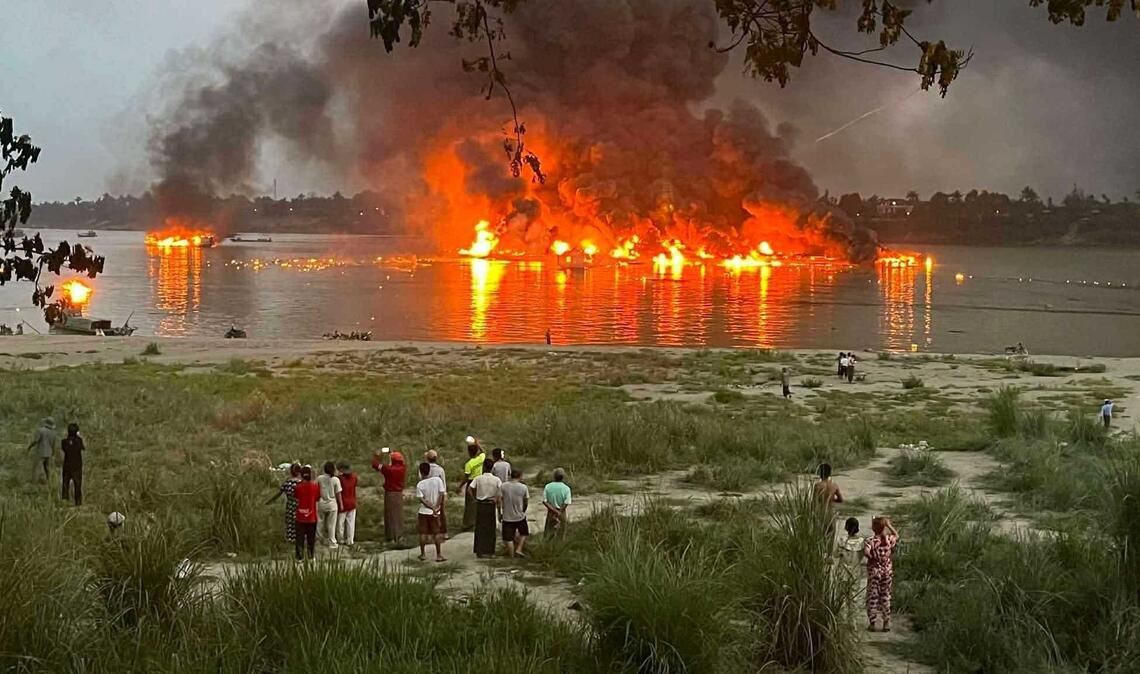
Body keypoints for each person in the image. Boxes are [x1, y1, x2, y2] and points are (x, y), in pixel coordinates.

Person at [864, 516, 899, 632]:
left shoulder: (870, 541)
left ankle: (873, 623)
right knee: (885, 596)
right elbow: (897, 535)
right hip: (887, 571)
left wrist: (873, 558)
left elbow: (866, 552)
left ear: (873, 528)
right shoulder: (889, 539)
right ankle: (886, 622)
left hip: (874, 571)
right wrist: (888, 525)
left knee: (872, 596)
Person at [373, 448, 407, 543]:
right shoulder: (403, 468)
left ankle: (391, 536)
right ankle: (399, 535)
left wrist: (377, 456)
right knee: (398, 515)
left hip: (390, 493)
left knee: (390, 515)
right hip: (399, 493)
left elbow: (375, 465)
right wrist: (391, 452)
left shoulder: (388, 469)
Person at [470, 458, 502, 558]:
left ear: (483, 467)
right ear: (492, 468)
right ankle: (490, 551)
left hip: (481, 504)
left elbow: (469, 489)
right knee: (490, 529)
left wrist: (474, 498)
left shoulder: (478, 478)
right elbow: (500, 494)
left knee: (480, 528)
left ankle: (479, 550)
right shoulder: (496, 480)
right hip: (490, 504)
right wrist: (499, 508)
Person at [415, 461, 446, 562]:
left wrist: (431, 507)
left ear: (421, 472)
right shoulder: (437, 480)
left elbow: (422, 499)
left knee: (423, 533)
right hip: (436, 512)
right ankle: (438, 555)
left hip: (424, 511)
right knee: (436, 533)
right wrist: (437, 506)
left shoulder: (420, 484)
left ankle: (423, 554)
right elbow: (441, 493)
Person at [266, 463, 302, 544]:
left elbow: (278, 494)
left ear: (291, 472)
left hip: (290, 506)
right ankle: (299, 539)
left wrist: (269, 502)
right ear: (299, 472)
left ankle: (290, 540)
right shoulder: (302, 483)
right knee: (299, 523)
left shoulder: (287, 483)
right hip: (300, 506)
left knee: (290, 523)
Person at [501, 468, 530, 557]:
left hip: (507, 515)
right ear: (520, 476)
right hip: (519, 515)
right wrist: (523, 510)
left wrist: (500, 511)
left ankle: (511, 555)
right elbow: (526, 501)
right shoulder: (523, 487)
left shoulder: (504, 486)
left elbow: (500, 499)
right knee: (524, 533)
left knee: (508, 538)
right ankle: (519, 548)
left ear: (510, 476)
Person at [294, 465, 320, 561]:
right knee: (311, 539)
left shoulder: (298, 487)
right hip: (312, 516)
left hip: (300, 517)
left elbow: (296, 497)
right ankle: (311, 556)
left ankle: (299, 557)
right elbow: (317, 498)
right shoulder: (315, 487)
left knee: (299, 540)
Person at [316, 461, 343, 549]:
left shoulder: (320, 478)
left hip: (321, 503)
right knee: (331, 524)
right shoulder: (335, 480)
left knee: (320, 523)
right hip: (332, 504)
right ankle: (332, 542)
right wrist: (341, 504)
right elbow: (338, 493)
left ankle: (319, 540)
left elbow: (315, 488)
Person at [461, 438, 486, 531]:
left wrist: (461, 486)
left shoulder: (469, 464)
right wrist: (478, 444)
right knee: (479, 501)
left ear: (469, 452)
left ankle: (468, 523)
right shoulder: (480, 459)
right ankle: (477, 521)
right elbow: (483, 452)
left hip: (471, 483)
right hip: (480, 482)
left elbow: (466, 476)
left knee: (469, 504)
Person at [542, 468, 572, 537]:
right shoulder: (566, 488)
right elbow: (566, 502)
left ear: (554, 476)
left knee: (548, 533)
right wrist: (559, 512)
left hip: (551, 511)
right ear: (563, 477)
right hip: (562, 512)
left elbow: (545, 501)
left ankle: (547, 546)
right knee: (561, 533)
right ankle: (560, 547)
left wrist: (554, 511)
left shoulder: (548, 486)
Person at [60, 422, 85, 506]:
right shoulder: (79, 441)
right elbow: (82, 448)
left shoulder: (64, 442)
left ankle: (65, 500)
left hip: (67, 465)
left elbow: (64, 449)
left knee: (65, 484)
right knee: (77, 485)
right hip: (77, 466)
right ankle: (78, 502)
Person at [425, 450, 448, 536]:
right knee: (441, 512)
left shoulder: (425, 468)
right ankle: (443, 531)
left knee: (428, 511)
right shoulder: (440, 469)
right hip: (439, 493)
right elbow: (443, 482)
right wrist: (444, 494)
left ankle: (429, 531)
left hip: (428, 493)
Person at [28, 417, 57, 482]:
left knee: (37, 467)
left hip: (41, 452)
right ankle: (48, 481)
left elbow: (36, 441)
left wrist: (30, 447)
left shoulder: (40, 430)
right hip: (49, 453)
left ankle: (34, 482)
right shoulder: (54, 433)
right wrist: (53, 453)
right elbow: (53, 445)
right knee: (47, 468)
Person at [336, 462, 358, 547]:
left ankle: (340, 540)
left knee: (340, 523)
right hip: (352, 502)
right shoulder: (354, 477)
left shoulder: (340, 479)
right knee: (351, 523)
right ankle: (350, 540)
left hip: (343, 503)